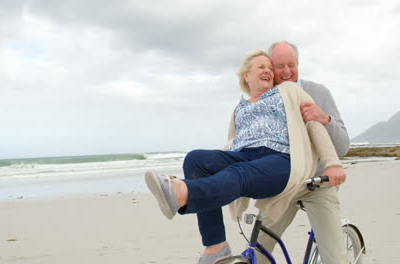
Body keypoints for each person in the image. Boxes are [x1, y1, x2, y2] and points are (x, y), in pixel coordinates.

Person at [144, 49, 346, 264]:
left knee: (334, 258)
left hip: (284, 161)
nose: (270, 71)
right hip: (249, 158)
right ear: (246, 76)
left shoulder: (289, 90)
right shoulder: (239, 108)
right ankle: (216, 246)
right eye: (262, 67)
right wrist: (218, 165)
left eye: (270, 67)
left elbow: (314, 126)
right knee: (195, 160)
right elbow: (233, 143)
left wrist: (333, 164)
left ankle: (182, 192)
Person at [253, 41, 350, 264]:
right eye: (280, 66)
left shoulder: (319, 92)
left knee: (335, 258)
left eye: (292, 64)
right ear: (270, 67)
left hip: (319, 184)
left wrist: (324, 118)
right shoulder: (263, 98)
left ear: (298, 64)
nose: (287, 71)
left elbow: (343, 147)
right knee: (258, 253)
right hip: (283, 185)